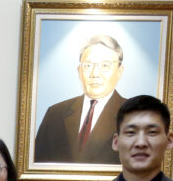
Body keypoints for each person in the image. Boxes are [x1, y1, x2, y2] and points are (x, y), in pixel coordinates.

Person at [34, 35, 127, 166]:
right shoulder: (55, 113)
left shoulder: (131, 114)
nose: (95, 74)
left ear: (120, 71)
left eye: (105, 66)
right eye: (88, 66)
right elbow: (37, 164)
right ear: (79, 71)